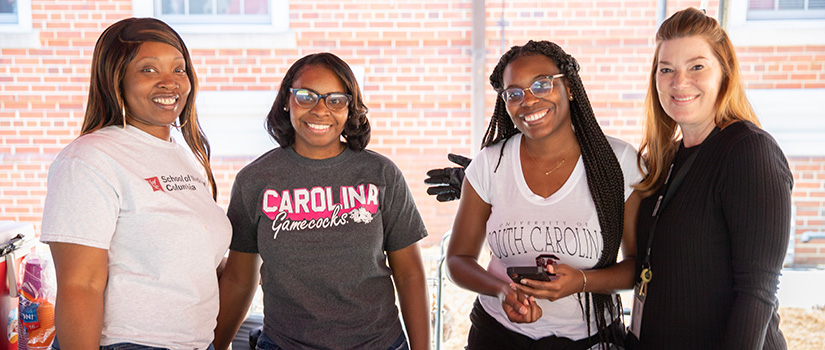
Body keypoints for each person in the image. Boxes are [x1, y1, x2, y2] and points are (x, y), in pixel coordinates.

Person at [213, 52, 431, 350]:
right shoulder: (255, 180)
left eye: (335, 100)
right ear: (287, 101)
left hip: (378, 344)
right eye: (306, 96)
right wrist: (217, 346)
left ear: (349, 108)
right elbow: (239, 278)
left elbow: (410, 275)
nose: (320, 109)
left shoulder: (380, 173)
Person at [39, 18, 231, 349]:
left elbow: (190, 261)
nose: (170, 83)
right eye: (149, 70)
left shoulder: (179, 155)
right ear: (117, 79)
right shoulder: (88, 159)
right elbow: (80, 286)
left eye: (179, 69)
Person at [445, 40, 643, 350]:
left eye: (542, 84)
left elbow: (637, 266)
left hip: (590, 338)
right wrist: (502, 291)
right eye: (514, 93)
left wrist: (582, 281)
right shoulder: (490, 164)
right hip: (498, 334)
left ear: (570, 87)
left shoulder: (618, 163)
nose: (528, 100)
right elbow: (458, 259)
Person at [628, 8, 792, 349]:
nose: (679, 81)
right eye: (666, 69)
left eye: (697, 66)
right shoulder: (665, 160)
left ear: (725, 72)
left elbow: (757, 292)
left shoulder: (748, 151)